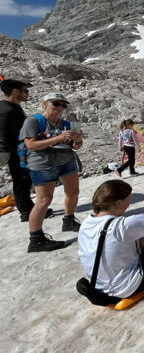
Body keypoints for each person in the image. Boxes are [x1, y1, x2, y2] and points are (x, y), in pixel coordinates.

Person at [20, 93, 83, 252]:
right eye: (56, 103)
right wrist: (58, 138)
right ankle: (35, 239)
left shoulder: (67, 124)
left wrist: (78, 139)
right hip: (43, 164)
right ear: (45, 104)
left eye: (63, 105)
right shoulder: (33, 121)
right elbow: (31, 145)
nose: (60, 108)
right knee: (44, 200)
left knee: (73, 192)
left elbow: (76, 147)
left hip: (66, 160)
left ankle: (69, 221)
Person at [0, 79, 53, 222]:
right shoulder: (6, 110)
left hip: (20, 151)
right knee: (21, 181)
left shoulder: (12, 107)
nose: (28, 94)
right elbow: (4, 135)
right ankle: (27, 212)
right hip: (17, 152)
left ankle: (31, 209)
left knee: (24, 180)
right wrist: (20, 151)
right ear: (16, 91)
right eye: (26, 91)